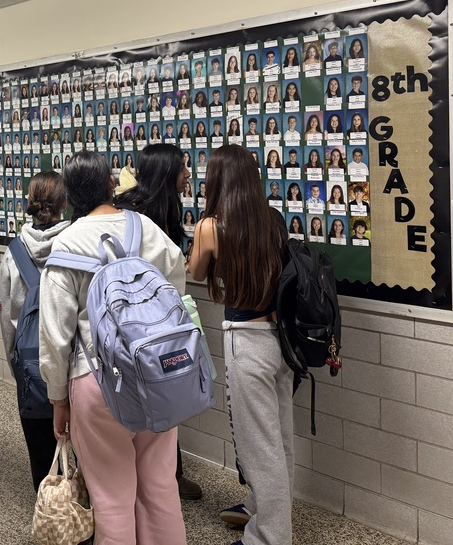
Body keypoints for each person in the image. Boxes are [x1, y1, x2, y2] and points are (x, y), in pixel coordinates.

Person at [41, 151, 188, 544]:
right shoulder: (145, 227)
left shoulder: (67, 243)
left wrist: (58, 398)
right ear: (110, 182)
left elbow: (55, 334)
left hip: (96, 381)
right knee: (160, 487)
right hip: (156, 375)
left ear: (69, 195)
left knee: (111, 495)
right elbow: (177, 280)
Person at [187, 144, 294, 545]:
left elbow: (197, 270)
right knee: (280, 439)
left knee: (258, 446)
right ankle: (261, 509)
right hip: (279, 341)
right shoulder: (273, 219)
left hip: (245, 343)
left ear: (218, 179)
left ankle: (268, 537)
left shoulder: (211, 226)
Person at [0, 171, 70, 490]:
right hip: (72, 365)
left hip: (30, 366)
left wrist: (16, 363)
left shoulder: (13, 253)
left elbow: (7, 318)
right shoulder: (76, 244)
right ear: (64, 203)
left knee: (40, 449)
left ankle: (47, 506)